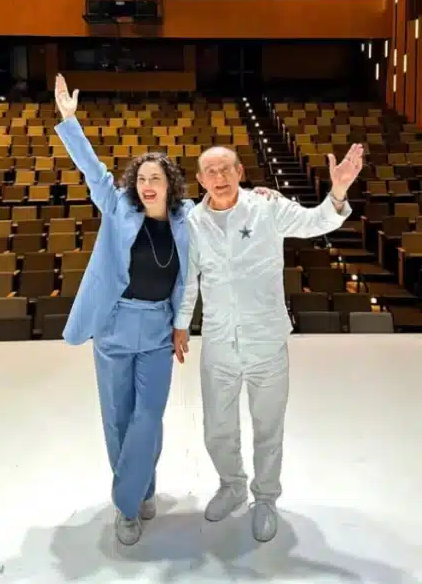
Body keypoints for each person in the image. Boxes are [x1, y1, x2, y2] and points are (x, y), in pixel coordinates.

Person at [52, 75, 280, 546]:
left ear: (170, 184)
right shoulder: (117, 209)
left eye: (156, 177)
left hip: (158, 329)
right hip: (114, 328)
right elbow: (93, 170)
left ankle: (125, 498)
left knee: (148, 416)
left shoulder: (187, 219)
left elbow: (226, 202)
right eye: (141, 178)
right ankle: (137, 498)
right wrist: (70, 122)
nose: (148, 184)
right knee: (117, 418)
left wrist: (262, 196)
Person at [172, 143, 364, 543]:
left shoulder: (267, 207)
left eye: (226, 169)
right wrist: (180, 325)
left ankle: (265, 498)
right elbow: (189, 279)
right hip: (219, 343)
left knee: (268, 427)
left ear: (240, 171)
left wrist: (339, 190)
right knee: (216, 429)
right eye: (211, 171)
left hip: (267, 341)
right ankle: (231, 484)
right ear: (201, 179)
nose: (220, 178)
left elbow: (317, 222)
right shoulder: (193, 221)